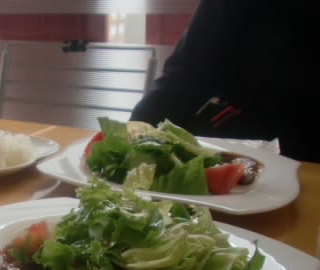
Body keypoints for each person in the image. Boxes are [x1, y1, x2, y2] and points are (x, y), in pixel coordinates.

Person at [129, 0, 319, 163]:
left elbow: (189, 70)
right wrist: (134, 132)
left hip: (267, 144)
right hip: (253, 142)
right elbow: (189, 71)